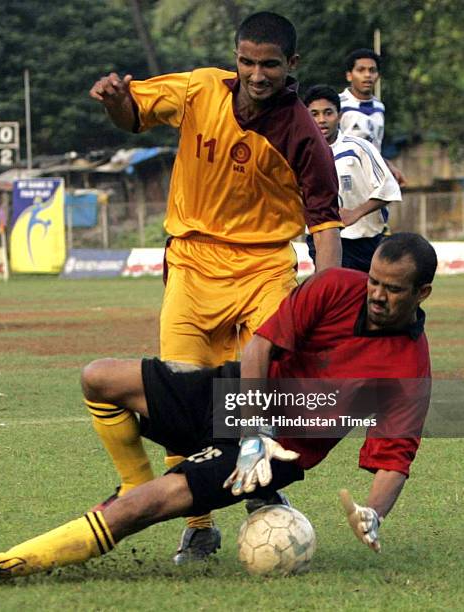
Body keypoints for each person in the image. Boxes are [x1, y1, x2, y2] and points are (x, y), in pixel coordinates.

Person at [0, 233, 437, 584]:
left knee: (145, 507)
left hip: (276, 455)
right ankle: (133, 478)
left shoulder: (408, 371)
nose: (376, 294)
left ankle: (4, 564)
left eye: (393, 289)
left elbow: (393, 458)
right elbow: (258, 349)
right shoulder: (335, 287)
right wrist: (248, 430)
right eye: (375, 280)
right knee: (98, 377)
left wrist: (375, 511)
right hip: (239, 398)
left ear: (422, 294)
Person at [87, 11, 342, 563]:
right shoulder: (201, 89)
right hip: (193, 264)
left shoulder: (302, 132)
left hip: (265, 269)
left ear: (291, 66)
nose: (256, 73)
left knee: (264, 390)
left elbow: (324, 222)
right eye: (247, 61)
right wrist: (113, 100)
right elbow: (133, 115)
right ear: (236, 58)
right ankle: (199, 526)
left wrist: (325, 292)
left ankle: (259, 489)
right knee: (180, 399)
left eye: (269, 64)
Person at [304, 85, 402, 272]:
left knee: (366, 297)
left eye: (328, 113)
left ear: (340, 116)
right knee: (331, 295)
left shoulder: (359, 148)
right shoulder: (301, 155)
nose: (322, 120)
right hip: (321, 239)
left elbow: (389, 189)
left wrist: (355, 213)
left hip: (364, 242)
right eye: (314, 114)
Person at [339, 48, 405, 187]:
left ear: (378, 76)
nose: (367, 75)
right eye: (361, 70)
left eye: (372, 70)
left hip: (372, 179)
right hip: (345, 177)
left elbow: (375, 147)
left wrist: (388, 165)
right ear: (349, 75)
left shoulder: (379, 107)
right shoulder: (337, 105)